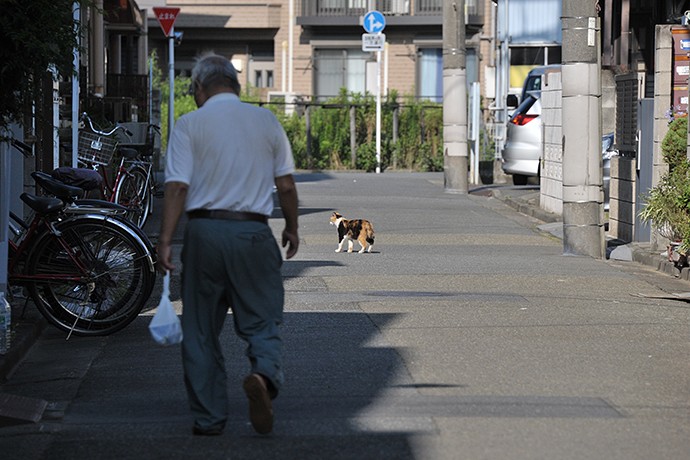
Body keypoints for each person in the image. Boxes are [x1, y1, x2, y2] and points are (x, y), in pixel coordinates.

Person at [156, 53, 299, 436]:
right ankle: (264, 377)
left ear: (199, 89)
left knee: (201, 329)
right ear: (235, 86)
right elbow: (285, 185)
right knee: (263, 321)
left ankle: (209, 417)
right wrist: (292, 228)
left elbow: (177, 187)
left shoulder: (189, 124)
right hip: (252, 232)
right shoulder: (266, 120)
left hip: (204, 234)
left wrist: (165, 240)